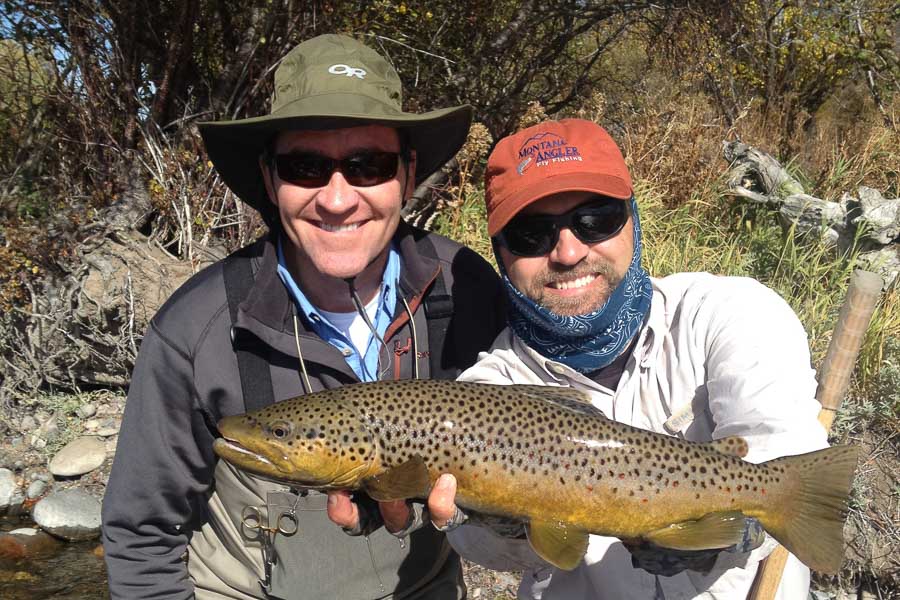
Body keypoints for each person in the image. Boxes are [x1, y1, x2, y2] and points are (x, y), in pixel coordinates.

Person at [101, 34, 505, 600]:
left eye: (369, 164)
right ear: (270, 179)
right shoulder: (196, 330)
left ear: (408, 176)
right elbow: (142, 537)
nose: (337, 199)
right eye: (306, 166)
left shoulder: (467, 288)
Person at [425, 118, 829, 599]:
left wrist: (725, 529)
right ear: (501, 254)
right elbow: (473, 542)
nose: (569, 251)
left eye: (595, 219)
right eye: (532, 234)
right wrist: (507, 526)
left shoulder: (730, 313)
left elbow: (786, 458)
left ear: (632, 221)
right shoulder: (482, 394)